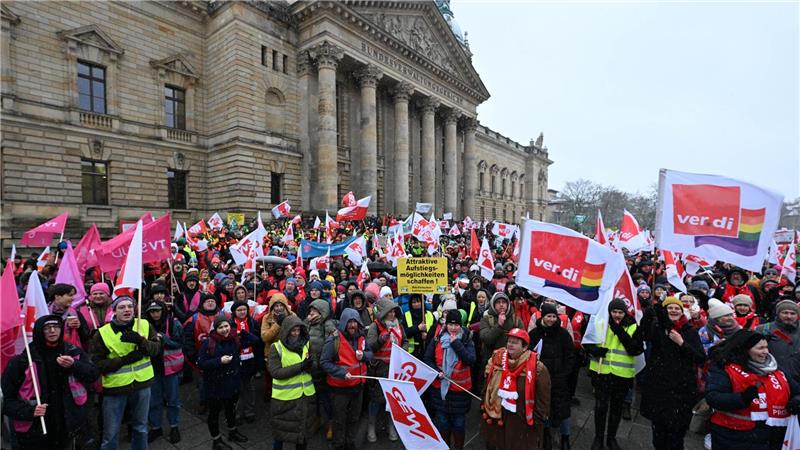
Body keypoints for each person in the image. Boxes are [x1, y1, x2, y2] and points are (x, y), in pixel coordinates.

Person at [1, 315, 99, 450]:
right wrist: (29, 411)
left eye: (56, 327)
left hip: (67, 426)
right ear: (39, 331)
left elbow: (93, 375)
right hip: (34, 430)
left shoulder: (72, 352)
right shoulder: (22, 360)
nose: (52, 331)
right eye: (47, 328)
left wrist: (74, 365)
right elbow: (6, 400)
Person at [706, 330, 800, 450]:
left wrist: (796, 401)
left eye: (766, 347)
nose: (766, 351)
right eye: (760, 348)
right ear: (746, 350)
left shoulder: (776, 369)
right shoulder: (724, 368)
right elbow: (713, 398)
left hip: (773, 438)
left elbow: (797, 391)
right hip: (735, 437)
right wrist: (742, 398)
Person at [90, 295, 161, 450]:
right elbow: (97, 364)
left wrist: (141, 341)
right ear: (114, 311)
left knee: (141, 428)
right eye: (122, 307)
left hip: (142, 385)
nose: (127, 310)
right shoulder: (102, 333)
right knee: (111, 433)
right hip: (115, 389)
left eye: (130, 306)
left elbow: (156, 349)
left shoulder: (144, 324)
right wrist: (124, 360)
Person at [640, 296, 706, 450]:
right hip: (660, 388)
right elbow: (645, 335)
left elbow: (700, 357)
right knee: (659, 433)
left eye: (677, 308)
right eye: (670, 308)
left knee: (676, 435)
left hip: (681, 390)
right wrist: (648, 316)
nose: (674, 310)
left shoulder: (690, 331)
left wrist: (681, 343)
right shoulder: (658, 328)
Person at [583, 298, 644, 450]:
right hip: (601, 372)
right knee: (600, 407)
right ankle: (598, 438)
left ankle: (611, 438)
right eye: (614, 312)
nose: (617, 315)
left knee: (616, 408)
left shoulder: (633, 327)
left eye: (620, 312)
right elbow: (587, 343)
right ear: (609, 312)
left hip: (622, 375)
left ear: (625, 313)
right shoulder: (600, 323)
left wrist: (618, 330)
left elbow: (636, 349)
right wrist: (595, 350)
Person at [481, 328, 551, 450]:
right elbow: (487, 385)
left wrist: (535, 421)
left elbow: (543, 401)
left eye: (515, 342)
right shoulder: (496, 361)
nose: (510, 345)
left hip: (522, 425)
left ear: (525, 347)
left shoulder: (537, 369)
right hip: (498, 420)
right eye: (509, 341)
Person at [320, 308, 372, 450]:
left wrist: (364, 356)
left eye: (355, 322)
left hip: (358, 387)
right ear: (344, 323)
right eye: (349, 322)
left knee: (354, 418)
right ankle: (338, 445)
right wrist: (341, 373)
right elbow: (324, 362)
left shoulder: (362, 337)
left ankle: (350, 443)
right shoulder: (334, 340)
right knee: (339, 420)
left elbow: (370, 353)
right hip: (339, 389)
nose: (352, 325)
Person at [425, 309, 476, 450]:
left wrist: (456, 344)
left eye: (456, 325)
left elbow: (471, 360)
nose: (453, 328)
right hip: (440, 392)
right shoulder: (437, 339)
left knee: (459, 424)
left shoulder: (466, 339)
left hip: (459, 391)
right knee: (443, 423)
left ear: (461, 325)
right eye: (450, 324)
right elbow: (427, 359)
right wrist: (437, 372)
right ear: (446, 325)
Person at [528, 302, 575, 450]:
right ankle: (546, 434)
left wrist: (564, 374)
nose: (552, 319)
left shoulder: (563, 334)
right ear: (543, 316)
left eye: (554, 316)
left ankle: (565, 437)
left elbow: (570, 355)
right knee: (544, 407)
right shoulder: (534, 334)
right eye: (549, 316)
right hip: (541, 379)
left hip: (559, 378)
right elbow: (528, 355)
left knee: (563, 409)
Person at [198, 316, 248, 450]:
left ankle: (233, 431)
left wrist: (242, 332)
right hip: (215, 385)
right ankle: (217, 440)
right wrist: (219, 361)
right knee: (214, 413)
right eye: (220, 327)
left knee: (231, 409)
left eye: (226, 326)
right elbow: (201, 363)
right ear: (215, 329)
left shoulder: (234, 339)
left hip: (232, 383)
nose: (224, 330)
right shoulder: (208, 343)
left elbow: (254, 340)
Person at [268, 315, 316, 450]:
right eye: (293, 330)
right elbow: (275, 372)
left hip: (305, 396)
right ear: (286, 331)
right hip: (285, 399)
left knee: (303, 433)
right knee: (281, 433)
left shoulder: (307, 344)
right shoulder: (276, 347)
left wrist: (312, 366)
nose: (296, 333)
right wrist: (300, 366)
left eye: (298, 330)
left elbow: (313, 365)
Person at [366, 298, 408, 442]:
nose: (392, 314)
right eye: (389, 312)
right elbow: (370, 346)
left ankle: (391, 426)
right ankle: (371, 426)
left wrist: (403, 350)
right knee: (376, 399)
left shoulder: (399, 325)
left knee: (392, 400)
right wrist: (381, 340)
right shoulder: (375, 326)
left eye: (394, 311)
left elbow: (405, 341)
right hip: (379, 368)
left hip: (395, 368)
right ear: (383, 313)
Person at [144, 300, 184, 444]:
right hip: (152, 369)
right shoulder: (144, 326)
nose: (155, 314)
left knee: (173, 400)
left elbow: (179, 343)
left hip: (170, 369)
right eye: (152, 311)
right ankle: (156, 427)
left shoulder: (174, 324)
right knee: (154, 401)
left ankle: (174, 426)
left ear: (163, 310)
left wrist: (164, 339)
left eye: (157, 311)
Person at [304, 299, 337, 440]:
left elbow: (334, 344)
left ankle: (331, 423)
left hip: (323, 370)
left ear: (322, 312)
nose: (311, 313)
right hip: (310, 368)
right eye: (311, 310)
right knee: (314, 399)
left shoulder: (327, 324)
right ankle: (316, 420)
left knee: (326, 398)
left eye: (315, 310)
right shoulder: (306, 323)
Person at [229, 300, 263, 424]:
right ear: (234, 312)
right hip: (237, 360)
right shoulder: (230, 324)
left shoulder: (252, 322)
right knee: (238, 388)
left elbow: (257, 340)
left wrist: (244, 335)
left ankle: (249, 411)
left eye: (244, 309)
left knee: (249, 387)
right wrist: (246, 341)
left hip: (251, 359)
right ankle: (237, 413)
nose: (242, 312)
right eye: (239, 310)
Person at [756, 300, 800, 382]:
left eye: (793, 313)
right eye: (785, 313)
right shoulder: (764, 329)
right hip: (773, 378)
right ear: (778, 313)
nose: (789, 316)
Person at [261, 293, 294, 402]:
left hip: (288, 351)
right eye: (276, 306)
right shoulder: (267, 318)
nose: (279, 308)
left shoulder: (292, 316)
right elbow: (265, 337)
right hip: (271, 352)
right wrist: (277, 324)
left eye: (281, 305)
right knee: (271, 375)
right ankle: (270, 393)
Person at [480, 292, 525, 368]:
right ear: (493, 304)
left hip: (511, 362)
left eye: (503, 302)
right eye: (498, 302)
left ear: (507, 304)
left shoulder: (515, 319)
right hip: (491, 362)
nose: (501, 304)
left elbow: (524, 340)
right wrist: (499, 325)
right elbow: (486, 339)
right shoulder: (486, 319)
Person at [404, 294, 434, 360]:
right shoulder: (406, 315)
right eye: (414, 302)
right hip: (411, 353)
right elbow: (404, 332)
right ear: (410, 304)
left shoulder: (430, 314)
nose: (416, 304)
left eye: (418, 301)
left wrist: (427, 336)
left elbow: (435, 331)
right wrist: (417, 328)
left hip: (427, 351)